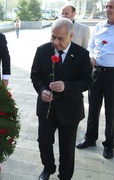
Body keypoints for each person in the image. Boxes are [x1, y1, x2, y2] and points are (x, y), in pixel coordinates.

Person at [30, 18, 92, 180]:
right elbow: (35, 75)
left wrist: (66, 86)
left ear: (71, 36)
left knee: (67, 147)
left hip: (70, 110)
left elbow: (87, 81)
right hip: (46, 108)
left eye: (60, 38)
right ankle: (48, 168)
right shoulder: (42, 51)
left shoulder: (82, 54)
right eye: (53, 37)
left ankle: (65, 175)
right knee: (43, 142)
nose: (55, 42)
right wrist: (42, 90)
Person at [76, 0, 114, 159]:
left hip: (113, 74)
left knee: (111, 111)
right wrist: (91, 56)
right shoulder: (99, 26)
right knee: (93, 107)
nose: (107, 9)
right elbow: (90, 46)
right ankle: (90, 138)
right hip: (96, 72)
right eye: (106, 6)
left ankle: (109, 144)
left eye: (111, 6)